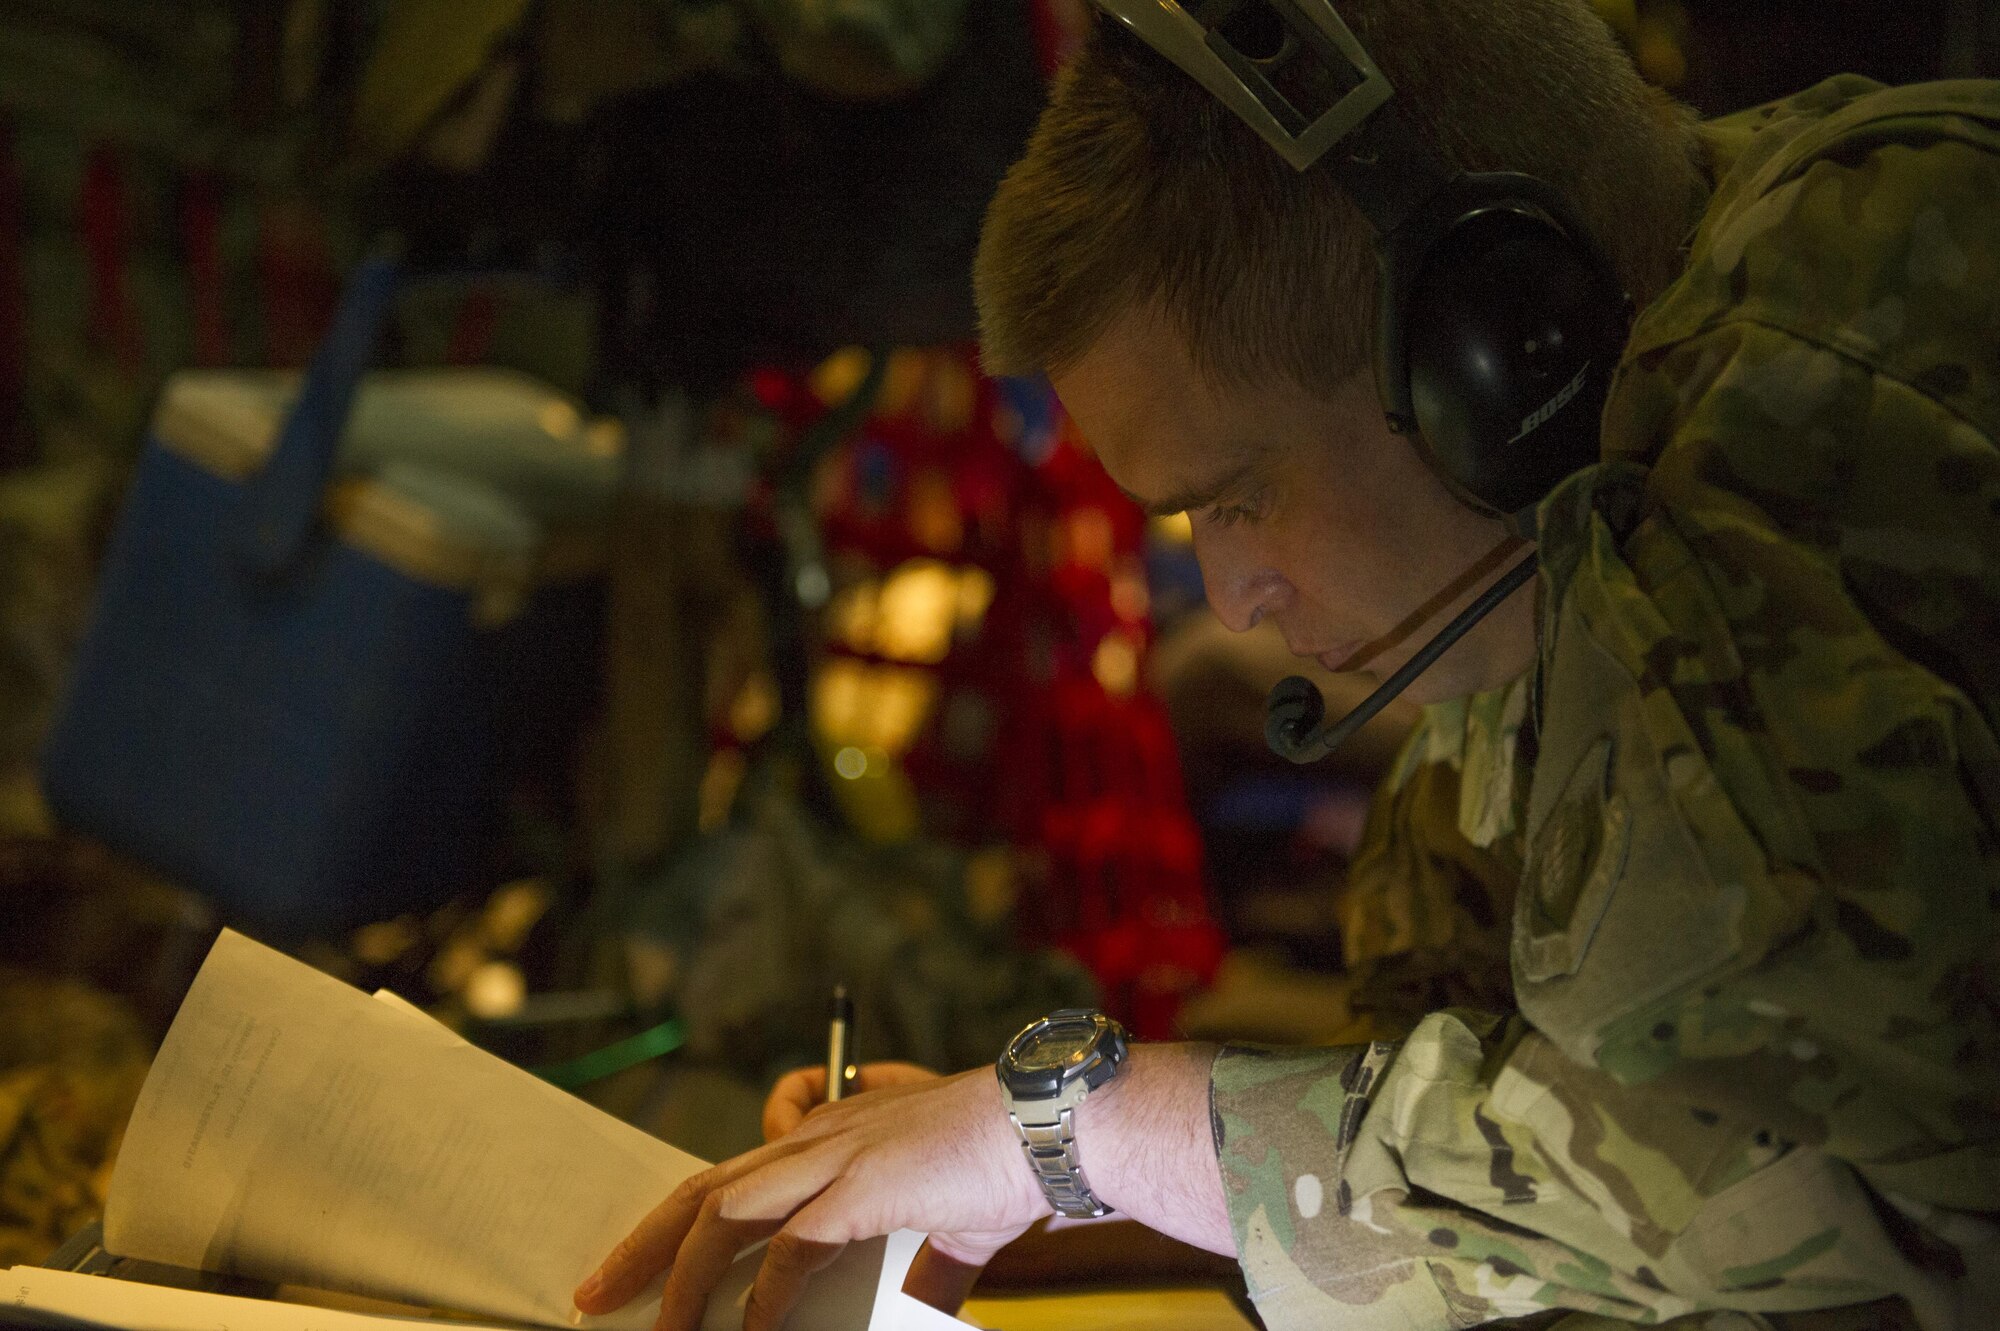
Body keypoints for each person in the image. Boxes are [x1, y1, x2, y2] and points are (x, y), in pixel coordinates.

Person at [571, 2, 2000, 1328]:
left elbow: (1855, 1184)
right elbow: (1545, 1162)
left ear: (1497, 359)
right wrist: (1044, 1177)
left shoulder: (1795, 452)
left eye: (1241, 489)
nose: (1236, 591)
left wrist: (1097, 1126)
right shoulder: (1565, 516)